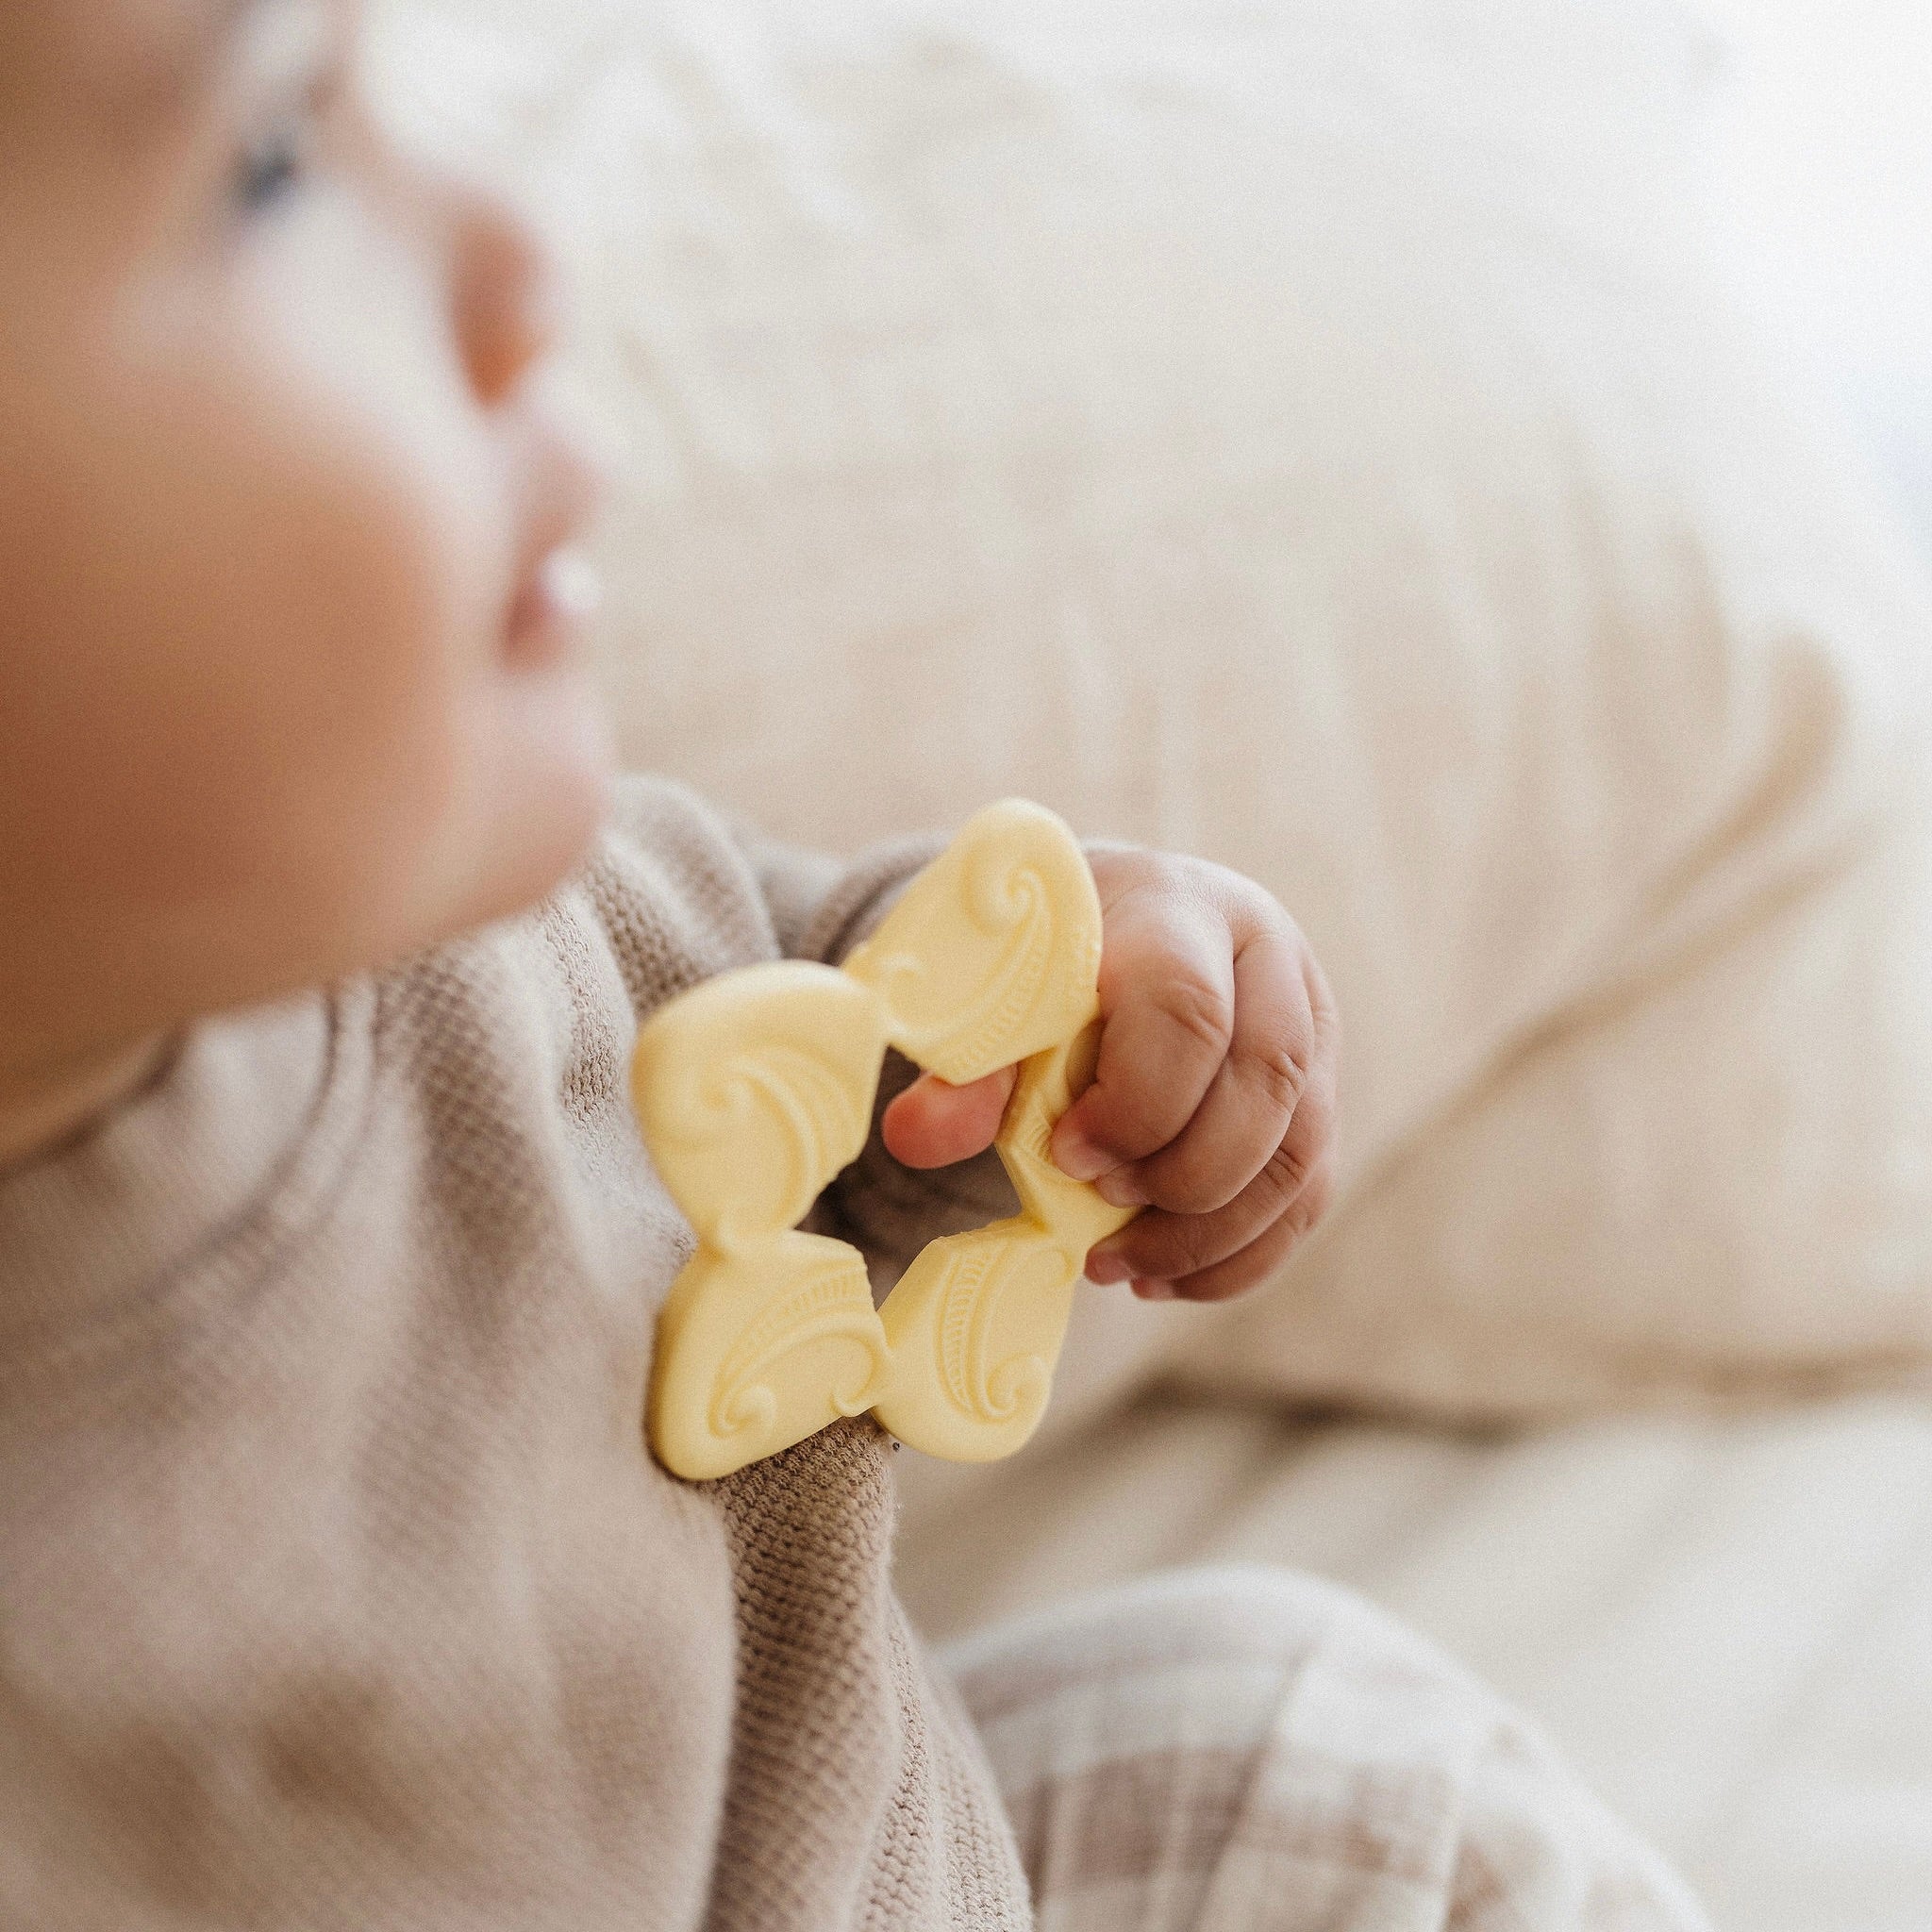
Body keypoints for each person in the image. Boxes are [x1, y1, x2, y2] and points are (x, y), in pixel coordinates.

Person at [0, 2, 1712, 1926]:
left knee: (1314, 1766)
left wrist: (1062, 1051)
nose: (515, 256)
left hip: (869, 1861)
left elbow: (826, 1075)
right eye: (271, 165)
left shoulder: (469, 930)